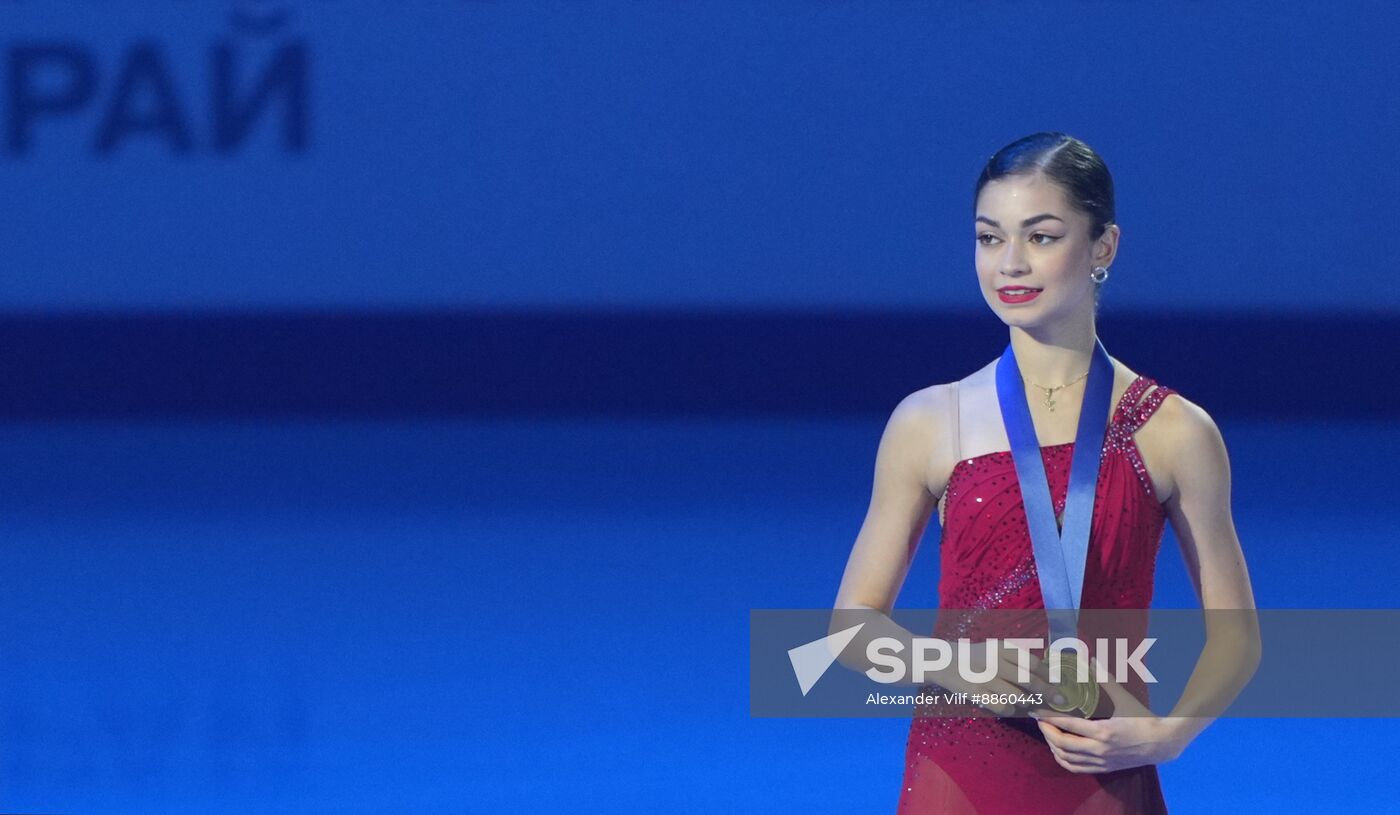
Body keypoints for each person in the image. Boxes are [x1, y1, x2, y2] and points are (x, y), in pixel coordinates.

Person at [830, 132, 1261, 814]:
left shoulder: (1176, 431)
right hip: (958, 767)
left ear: (1103, 248)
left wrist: (1166, 735)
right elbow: (850, 627)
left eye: (1041, 236)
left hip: (1104, 764)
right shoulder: (928, 421)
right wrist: (959, 668)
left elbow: (1237, 634)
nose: (1010, 264)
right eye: (989, 237)